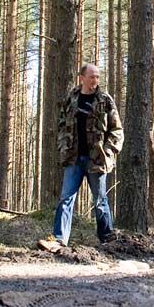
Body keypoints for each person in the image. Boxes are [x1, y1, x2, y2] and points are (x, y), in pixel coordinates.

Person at [38, 64, 124, 252]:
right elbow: (62, 124)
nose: (95, 80)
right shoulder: (71, 99)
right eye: (92, 77)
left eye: (97, 77)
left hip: (96, 160)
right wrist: (63, 145)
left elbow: (117, 130)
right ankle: (59, 240)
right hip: (74, 158)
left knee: (100, 200)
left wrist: (108, 152)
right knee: (66, 199)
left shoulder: (105, 100)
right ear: (82, 78)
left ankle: (107, 239)